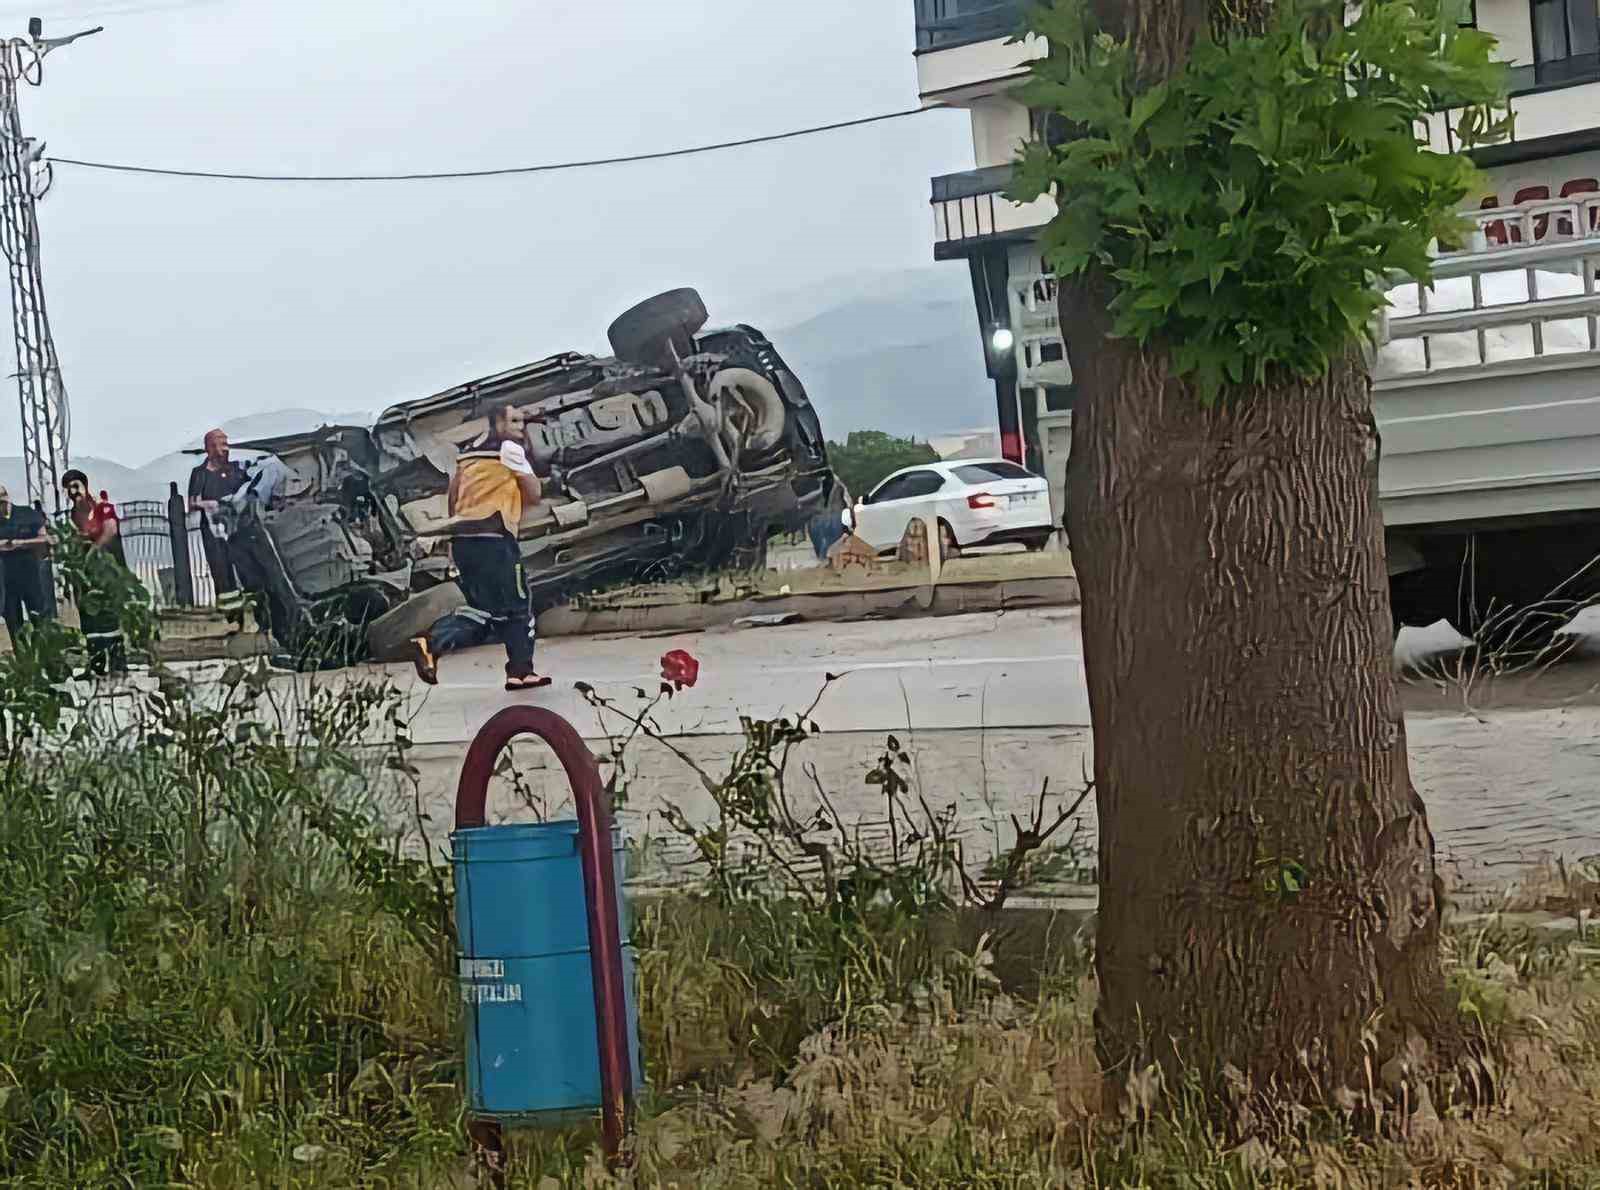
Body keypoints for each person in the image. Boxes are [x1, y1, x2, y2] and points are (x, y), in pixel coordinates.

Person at [408, 403, 550, 692]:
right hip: (495, 538)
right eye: (514, 421)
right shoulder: (510, 450)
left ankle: (434, 644)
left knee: (483, 610)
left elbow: (453, 496)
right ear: (497, 422)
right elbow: (534, 494)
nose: (520, 427)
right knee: (519, 606)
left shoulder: (467, 453)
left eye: (522, 421)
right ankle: (521, 671)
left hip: (464, 541)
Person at [61, 468, 132, 676]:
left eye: (76, 486)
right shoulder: (73, 515)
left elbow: (110, 530)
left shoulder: (103, 507)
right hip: (85, 572)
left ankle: (118, 663)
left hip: (106, 569)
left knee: (108, 612)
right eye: (68, 488)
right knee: (89, 614)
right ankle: (97, 664)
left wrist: (93, 549)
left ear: (85, 485)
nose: (73, 491)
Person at [187, 428, 249, 627]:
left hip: (237, 529)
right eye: (216, 444)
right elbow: (192, 503)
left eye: (224, 443)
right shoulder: (200, 474)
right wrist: (211, 504)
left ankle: (253, 612)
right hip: (213, 532)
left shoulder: (236, 471)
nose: (222, 449)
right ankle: (231, 616)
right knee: (221, 572)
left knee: (245, 568)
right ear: (207, 448)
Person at [0, 484, 52, 643]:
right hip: (5, 579)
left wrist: (17, 543)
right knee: (14, 624)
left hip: (31, 574)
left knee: (40, 618)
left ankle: (46, 659)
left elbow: (44, 539)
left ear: (7, 496)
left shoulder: (27, 513)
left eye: (2, 498)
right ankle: (24, 663)